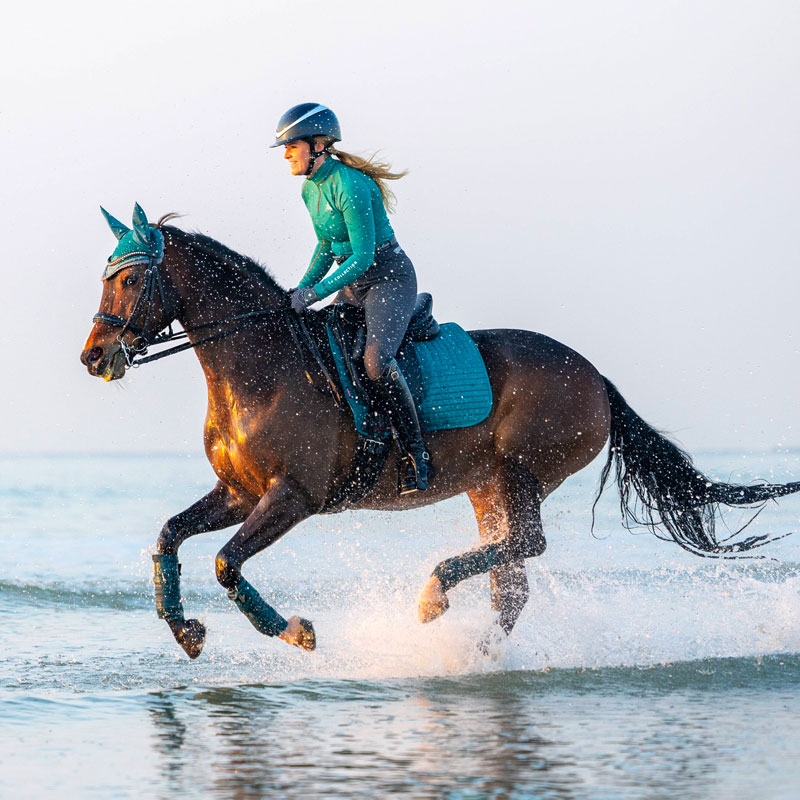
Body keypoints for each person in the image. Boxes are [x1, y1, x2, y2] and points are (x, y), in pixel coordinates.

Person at [271, 102, 431, 493]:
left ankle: (416, 455)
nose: (287, 154)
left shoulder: (352, 185)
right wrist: (301, 288)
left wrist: (317, 292)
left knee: (375, 361)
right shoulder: (310, 190)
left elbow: (362, 257)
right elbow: (327, 246)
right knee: (322, 345)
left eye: (292, 146)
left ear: (319, 144)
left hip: (387, 278)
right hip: (353, 282)